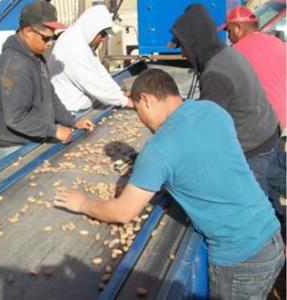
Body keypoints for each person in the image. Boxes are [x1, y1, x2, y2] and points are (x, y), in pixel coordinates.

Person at [54, 69, 284, 300]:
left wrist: (83, 203)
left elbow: (122, 212)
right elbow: (206, 160)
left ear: (145, 100)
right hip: (271, 234)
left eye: (137, 111)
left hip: (240, 258)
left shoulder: (158, 149)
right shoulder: (211, 110)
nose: (141, 121)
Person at [168, 4, 281, 202]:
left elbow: (207, 132)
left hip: (253, 151)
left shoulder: (216, 74)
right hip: (269, 134)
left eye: (184, 47)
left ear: (195, 42)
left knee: (258, 209)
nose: (183, 54)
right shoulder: (229, 54)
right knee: (274, 187)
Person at [0, 0, 94, 148]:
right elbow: (15, 118)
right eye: (46, 38)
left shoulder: (35, 56)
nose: (50, 43)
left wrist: (72, 121)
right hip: (14, 145)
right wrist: (53, 130)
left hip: (35, 135)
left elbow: (50, 96)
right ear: (28, 32)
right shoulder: (15, 66)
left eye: (53, 37)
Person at [48, 5, 133, 112]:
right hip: (70, 111)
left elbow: (99, 71)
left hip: (81, 108)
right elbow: (92, 83)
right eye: (101, 35)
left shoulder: (82, 41)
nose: (102, 40)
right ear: (92, 29)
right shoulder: (72, 46)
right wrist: (125, 101)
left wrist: (118, 93)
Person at [218, 6, 286, 129]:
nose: (228, 37)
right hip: (283, 122)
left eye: (229, 31)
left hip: (258, 129)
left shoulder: (234, 54)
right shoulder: (280, 45)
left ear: (238, 28)